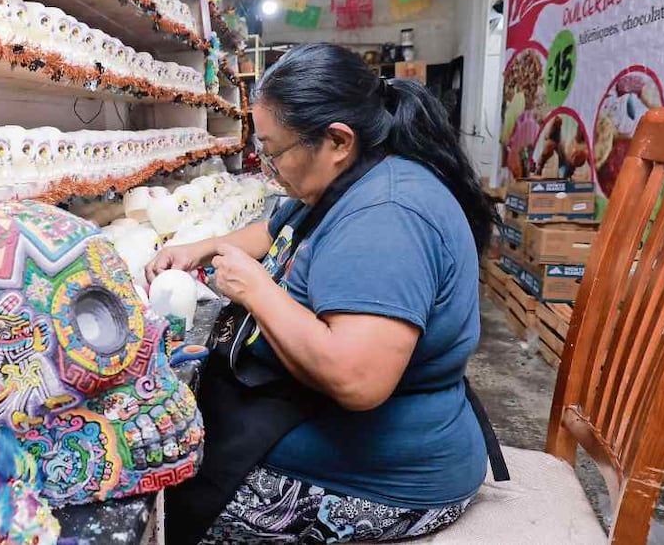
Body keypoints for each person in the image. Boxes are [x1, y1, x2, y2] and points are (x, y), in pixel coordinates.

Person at [151, 43, 501, 544]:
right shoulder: (345, 180)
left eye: (274, 152)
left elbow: (357, 379)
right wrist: (201, 247)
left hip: (383, 480)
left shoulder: (387, 218)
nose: (269, 166)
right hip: (342, 436)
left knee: (155, 501)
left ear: (337, 140)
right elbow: (275, 233)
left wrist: (256, 289)